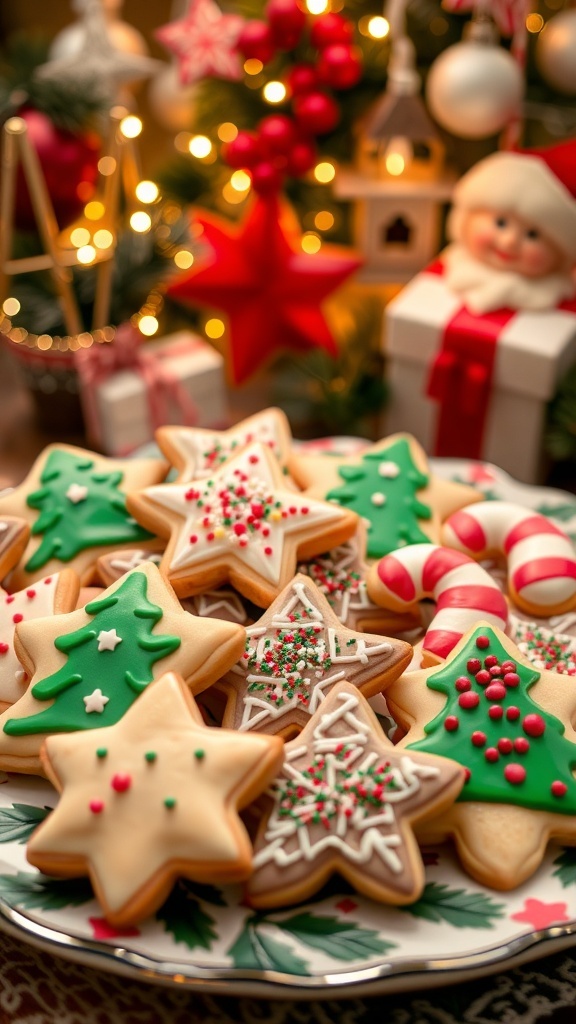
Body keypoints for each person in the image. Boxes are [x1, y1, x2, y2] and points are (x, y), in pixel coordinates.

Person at [442, 139, 576, 314]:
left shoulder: (559, 300)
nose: (509, 242)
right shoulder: (451, 266)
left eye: (532, 235)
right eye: (501, 223)